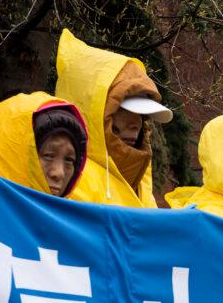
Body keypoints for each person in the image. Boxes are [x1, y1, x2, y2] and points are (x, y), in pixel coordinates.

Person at [55, 30, 172, 207]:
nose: (137, 124)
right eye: (123, 107)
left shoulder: (140, 176)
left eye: (142, 115)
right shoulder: (72, 179)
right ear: (96, 112)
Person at [0, 92, 88, 199]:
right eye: (48, 156)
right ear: (12, 157)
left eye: (69, 160)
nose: (59, 173)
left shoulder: (76, 216)